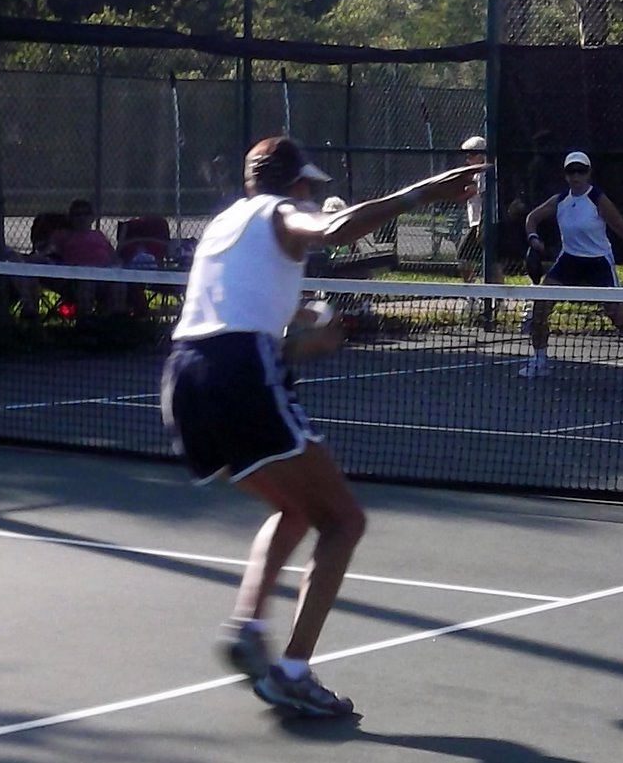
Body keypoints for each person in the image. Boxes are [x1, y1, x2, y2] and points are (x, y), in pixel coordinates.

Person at [161, 136, 478, 718]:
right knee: (343, 521)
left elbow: (271, 332)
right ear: (298, 185)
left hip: (183, 382)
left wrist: (316, 324)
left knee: (295, 509)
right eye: (312, 187)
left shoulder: (226, 225)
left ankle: (248, 627)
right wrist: (425, 192)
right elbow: (331, 233)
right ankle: (291, 670)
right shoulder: (280, 212)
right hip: (238, 370)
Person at [519, 151, 623, 381]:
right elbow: (532, 218)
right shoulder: (560, 201)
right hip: (569, 260)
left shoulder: (597, 199)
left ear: (588, 173)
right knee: (540, 307)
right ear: (566, 174)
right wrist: (533, 239)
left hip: (599, 262)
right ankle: (539, 361)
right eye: (571, 171)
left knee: (619, 317)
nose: (576, 176)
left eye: (581, 171)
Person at [456, 135, 490, 282]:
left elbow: (481, 196)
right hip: (477, 223)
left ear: (481, 155)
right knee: (491, 261)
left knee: (463, 256)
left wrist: (481, 226)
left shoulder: (483, 173)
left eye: (470, 155)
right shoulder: (475, 173)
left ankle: (489, 298)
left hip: (480, 223)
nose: (467, 159)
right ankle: (482, 296)